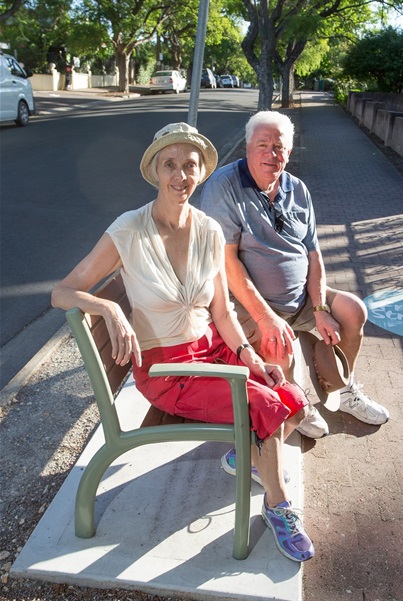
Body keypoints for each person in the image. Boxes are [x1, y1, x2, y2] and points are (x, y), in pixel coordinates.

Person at [51, 122, 314, 563]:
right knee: (269, 408)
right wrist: (110, 309)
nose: (180, 176)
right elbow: (62, 292)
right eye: (169, 165)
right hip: (168, 371)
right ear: (155, 170)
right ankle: (277, 506)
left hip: (212, 351)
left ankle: (247, 455)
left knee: (296, 400)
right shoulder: (129, 230)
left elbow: (222, 314)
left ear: (200, 172)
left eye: (189, 166)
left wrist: (250, 358)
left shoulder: (209, 229)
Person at [200, 111, 389, 438]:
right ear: (247, 147)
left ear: (289, 151)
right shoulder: (223, 187)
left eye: (279, 147)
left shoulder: (297, 189)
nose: (271, 154)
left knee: (352, 309)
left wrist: (319, 308)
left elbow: (313, 254)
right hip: (248, 303)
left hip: (300, 298)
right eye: (262, 145)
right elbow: (225, 263)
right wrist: (265, 317)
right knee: (277, 341)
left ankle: (342, 389)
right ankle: (295, 407)